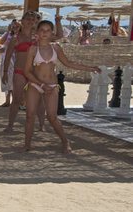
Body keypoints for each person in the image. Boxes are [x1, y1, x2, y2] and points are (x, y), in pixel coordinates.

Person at [23, 21, 100, 153]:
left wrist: (89, 68)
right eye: (42, 30)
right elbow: (27, 71)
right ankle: (27, 144)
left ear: (52, 33)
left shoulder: (56, 48)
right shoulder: (33, 49)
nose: (45, 33)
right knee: (30, 115)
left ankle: (65, 141)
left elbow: (68, 63)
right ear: (37, 32)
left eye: (48, 30)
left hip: (52, 85)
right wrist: (41, 84)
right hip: (35, 84)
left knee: (52, 117)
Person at [0, 20, 20, 108]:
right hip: (6, 58)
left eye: (17, 26)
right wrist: (8, 31)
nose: (15, 28)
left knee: (14, 81)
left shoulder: (21, 36)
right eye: (13, 26)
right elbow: (1, 42)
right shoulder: (8, 34)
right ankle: (7, 100)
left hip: (15, 59)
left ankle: (14, 101)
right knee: (6, 79)